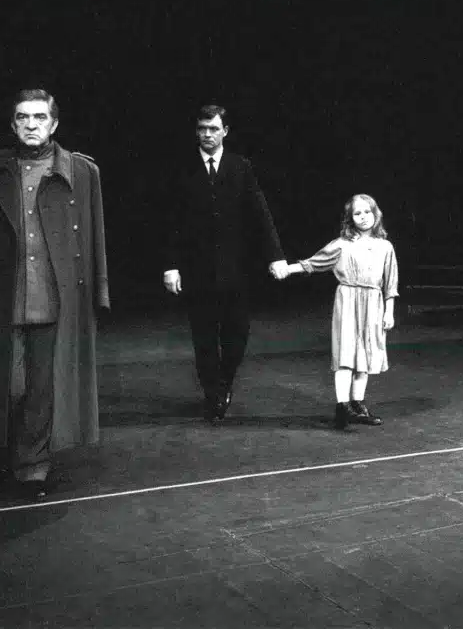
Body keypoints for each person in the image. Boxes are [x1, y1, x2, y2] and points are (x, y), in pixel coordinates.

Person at [0, 88, 109, 500]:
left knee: (42, 388)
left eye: (39, 118)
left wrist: (99, 291)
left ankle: (33, 465)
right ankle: (5, 453)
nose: (31, 125)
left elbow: (94, 233)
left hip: (54, 296)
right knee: (6, 384)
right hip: (0, 296)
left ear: (54, 123)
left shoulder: (81, 171)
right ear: (13, 124)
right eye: (23, 118)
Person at [164, 104, 288, 424]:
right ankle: (213, 394)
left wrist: (276, 255)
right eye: (202, 129)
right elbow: (170, 221)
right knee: (204, 337)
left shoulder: (240, 167)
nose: (207, 135)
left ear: (225, 132)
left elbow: (260, 214)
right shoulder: (182, 168)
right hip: (197, 271)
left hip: (237, 270)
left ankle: (225, 380)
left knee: (236, 334)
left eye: (213, 129)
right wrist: (171, 265)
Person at [277, 194, 398, 430]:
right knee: (346, 355)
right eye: (357, 213)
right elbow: (314, 262)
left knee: (366, 356)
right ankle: (342, 407)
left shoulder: (385, 246)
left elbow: (390, 283)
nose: (363, 217)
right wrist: (287, 269)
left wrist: (389, 311)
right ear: (350, 218)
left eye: (367, 211)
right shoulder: (342, 244)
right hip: (348, 300)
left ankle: (358, 405)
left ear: (376, 213)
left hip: (373, 303)